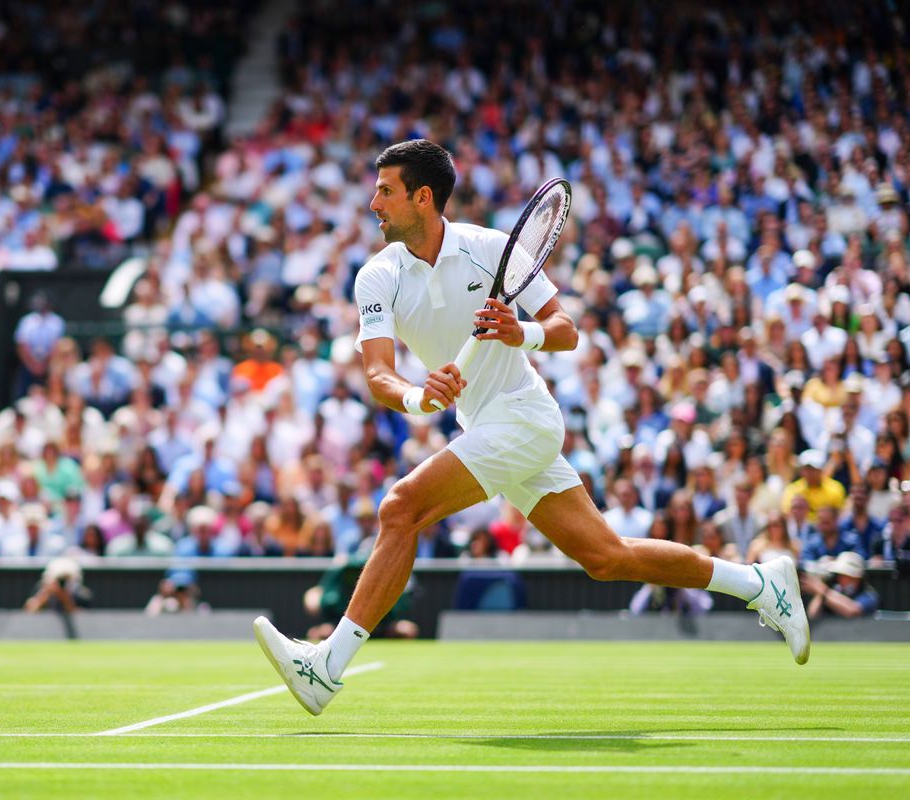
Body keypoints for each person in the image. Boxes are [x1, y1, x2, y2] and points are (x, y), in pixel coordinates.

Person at [254, 141, 809, 717]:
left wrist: (523, 334)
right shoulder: (376, 276)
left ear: (423, 198)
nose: (374, 203)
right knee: (606, 556)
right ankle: (758, 583)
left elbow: (565, 330)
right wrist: (419, 398)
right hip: (485, 426)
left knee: (400, 508)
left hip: (525, 416)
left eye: (386, 191)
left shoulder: (492, 249)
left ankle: (327, 667)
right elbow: (377, 374)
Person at [799, 551, 880, 620]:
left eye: (846, 575)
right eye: (840, 575)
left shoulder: (869, 595)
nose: (841, 578)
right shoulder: (833, 591)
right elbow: (813, 615)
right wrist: (821, 593)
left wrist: (823, 590)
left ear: (857, 578)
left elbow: (853, 611)